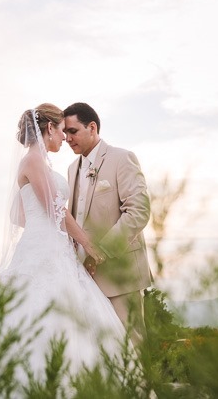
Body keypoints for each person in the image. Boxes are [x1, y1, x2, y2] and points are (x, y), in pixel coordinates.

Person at [0, 103, 130, 388]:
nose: (65, 138)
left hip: (51, 246)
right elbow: (57, 210)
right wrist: (87, 243)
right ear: (49, 128)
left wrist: (43, 227)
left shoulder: (37, 163)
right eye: (62, 131)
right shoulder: (33, 161)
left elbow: (19, 214)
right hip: (46, 252)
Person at [64, 102, 152, 345]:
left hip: (119, 273)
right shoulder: (72, 169)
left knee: (131, 345)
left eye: (73, 132)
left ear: (92, 127)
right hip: (82, 276)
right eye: (65, 134)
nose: (67, 139)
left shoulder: (121, 158)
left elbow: (139, 211)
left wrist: (100, 252)